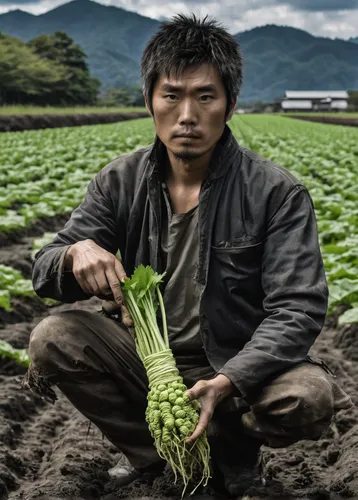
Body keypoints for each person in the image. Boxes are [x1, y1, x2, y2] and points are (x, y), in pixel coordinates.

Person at [23, 14, 352, 497]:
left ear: (230, 103)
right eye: (172, 95)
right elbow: (43, 270)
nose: (187, 115)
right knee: (53, 335)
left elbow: (298, 309)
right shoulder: (119, 181)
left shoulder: (276, 193)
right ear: (149, 101)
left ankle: (235, 455)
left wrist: (229, 380)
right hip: (147, 359)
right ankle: (156, 455)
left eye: (205, 96)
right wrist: (74, 253)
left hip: (235, 362)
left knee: (308, 396)